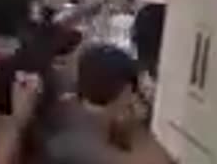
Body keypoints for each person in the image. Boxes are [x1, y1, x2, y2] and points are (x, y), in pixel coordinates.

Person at [42, 45, 174, 164]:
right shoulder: (90, 140)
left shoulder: (68, 120)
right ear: (123, 90)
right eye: (133, 88)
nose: (136, 95)